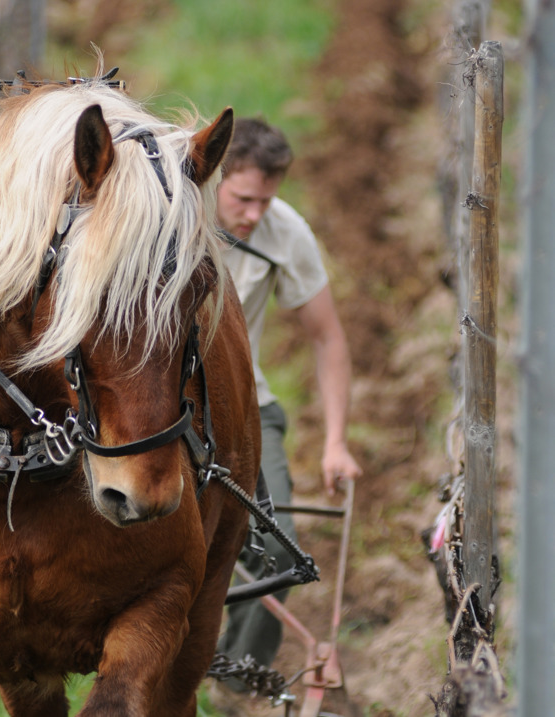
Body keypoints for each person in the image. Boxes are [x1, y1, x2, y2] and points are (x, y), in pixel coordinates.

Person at [211, 118, 362, 715]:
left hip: (243, 405)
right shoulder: (165, 215)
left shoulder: (284, 231)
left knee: (278, 553)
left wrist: (336, 442)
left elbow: (328, 338)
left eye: (265, 202)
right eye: (242, 199)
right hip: (153, 407)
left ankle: (234, 680)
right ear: (214, 178)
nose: (253, 215)